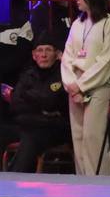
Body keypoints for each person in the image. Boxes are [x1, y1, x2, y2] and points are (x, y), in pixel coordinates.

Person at [60, 0, 110, 175]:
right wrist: (71, 85)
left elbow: (108, 61)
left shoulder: (109, 23)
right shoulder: (77, 24)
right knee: (78, 138)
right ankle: (82, 181)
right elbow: (67, 57)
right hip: (74, 87)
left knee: (93, 137)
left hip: (97, 86)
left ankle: (99, 182)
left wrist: (82, 85)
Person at [9, 36, 72, 172]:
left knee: (31, 137)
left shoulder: (64, 74)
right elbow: (15, 104)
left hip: (55, 129)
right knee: (26, 134)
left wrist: (27, 96)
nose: (43, 55)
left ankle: (15, 176)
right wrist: (41, 106)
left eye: (48, 50)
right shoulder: (27, 75)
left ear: (57, 54)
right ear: (34, 55)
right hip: (30, 125)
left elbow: (51, 102)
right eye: (40, 50)